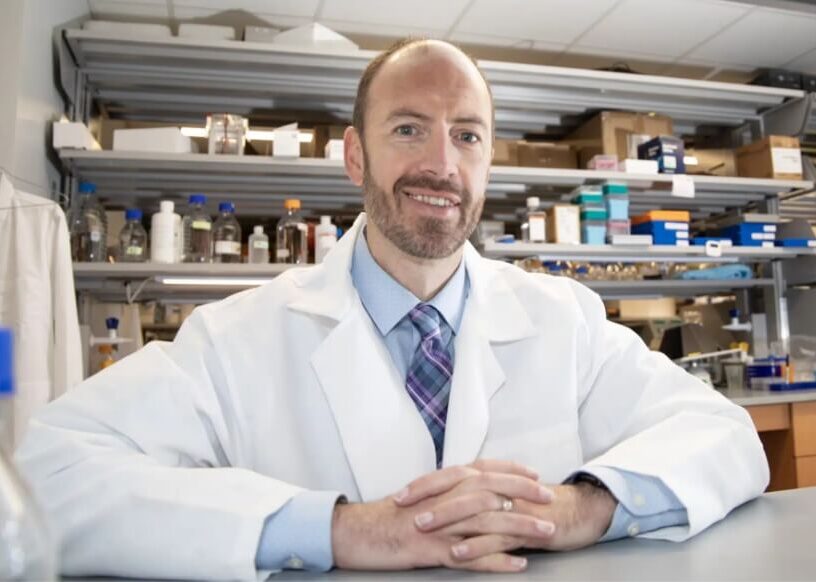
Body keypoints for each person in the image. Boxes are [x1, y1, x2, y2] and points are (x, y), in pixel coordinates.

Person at [17, 38, 768, 580]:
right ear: (355, 156)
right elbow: (44, 474)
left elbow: (726, 437)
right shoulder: (237, 336)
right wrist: (338, 529)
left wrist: (582, 507)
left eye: (467, 136)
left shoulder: (563, 319)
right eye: (409, 128)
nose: (442, 163)